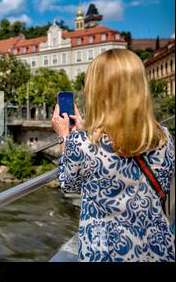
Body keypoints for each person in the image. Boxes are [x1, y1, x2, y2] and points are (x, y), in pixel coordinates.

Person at [51, 48, 174, 262]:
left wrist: (66, 137)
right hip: (156, 248)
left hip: (105, 251)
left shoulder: (84, 143)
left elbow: (68, 183)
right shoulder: (164, 136)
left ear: (97, 92)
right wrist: (87, 130)